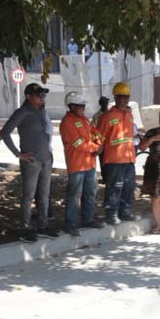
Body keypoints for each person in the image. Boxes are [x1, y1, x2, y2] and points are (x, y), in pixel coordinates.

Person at [2, 82, 58, 242]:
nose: (42, 98)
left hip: (45, 158)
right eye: (38, 95)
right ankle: (25, 227)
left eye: (43, 95)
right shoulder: (23, 112)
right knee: (29, 195)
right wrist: (18, 154)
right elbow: (5, 132)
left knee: (45, 194)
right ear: (28, 96)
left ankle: (43, 225)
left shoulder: (41, 111)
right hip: (31, 160)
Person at [59, 91, 104, 236]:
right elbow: (79, 143)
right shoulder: (67, 123)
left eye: (83, 106)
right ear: (71, 106)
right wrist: (97, 148)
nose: (83, 108)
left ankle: (88, 219)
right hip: (77, 165)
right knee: (74, 195)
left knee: (90, 193)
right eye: (80, 106)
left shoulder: (84, 120)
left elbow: (95, 132)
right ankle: (70, 224)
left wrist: (99, 141)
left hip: (89, 164)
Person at [96, 83, 138, 224]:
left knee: (129, 187)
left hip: (129, 158)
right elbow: (99, 137)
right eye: (121, 97)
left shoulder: (129, 114)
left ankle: (125, 212)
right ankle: (111, 214)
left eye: (126, 97)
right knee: (115, 187)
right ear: (115, 97)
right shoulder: (107, 116)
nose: (124, 100)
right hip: (114, 160)